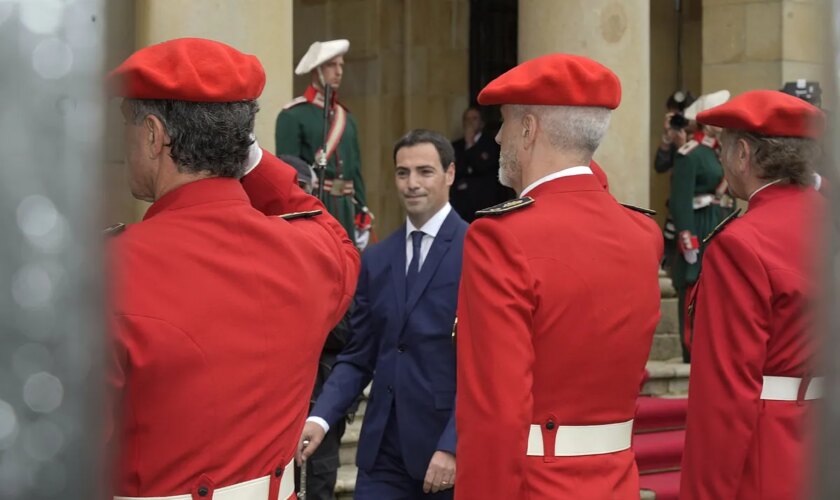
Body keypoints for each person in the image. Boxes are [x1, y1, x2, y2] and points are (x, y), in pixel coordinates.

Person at [105, 38, 360, 499]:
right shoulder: (313, 254)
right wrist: (254, 161)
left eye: (126, 124)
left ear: (152, 132)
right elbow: (332, 232)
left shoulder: (108, 272)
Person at [454, 53, 663, 499]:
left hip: (536, 485)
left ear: (528, 130)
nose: (498, 136)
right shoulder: (642, 233)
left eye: (506, 123)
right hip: (617, 482)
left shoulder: (501, 237)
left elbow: (496, 414)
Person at [297, 129, 467, 499]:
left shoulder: (477, 251)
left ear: (450, 174)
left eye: (425, 172)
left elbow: (486, 365)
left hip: (444, 453)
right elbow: (358, 356)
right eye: (403, 173)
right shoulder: (377, 258)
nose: (412, 184)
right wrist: (321, 417)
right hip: (381, 455)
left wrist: (453, 445)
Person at [680, 90, 826, 500]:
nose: (723, 159)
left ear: (743, 153)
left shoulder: (741, 243)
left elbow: (724, 394)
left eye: (726, 147)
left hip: (770, 449)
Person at [276, 39, 371, 250]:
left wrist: (361, 211)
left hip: (346, 208)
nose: (338, 72)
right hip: (316, 206)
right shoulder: (293, 116)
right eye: (331, 65)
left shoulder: (346, 118)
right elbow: (289, 175)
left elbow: (355, 173)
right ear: (316, 70)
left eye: (341, 66)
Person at [670, 90, 732, 362]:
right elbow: (680, 200)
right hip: (697, 224)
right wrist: (687, 239)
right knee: (692, 282)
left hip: (718, 222)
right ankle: (691, 350)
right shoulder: (690, 154)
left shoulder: (719, 152)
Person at [450, 105, 514, 221]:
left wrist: (470, 144)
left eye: (474, 118)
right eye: (467, 119)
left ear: (482, 123)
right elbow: (456, 171)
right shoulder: (455, 146)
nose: (470, 122)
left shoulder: (492, 144)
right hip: (461, 205)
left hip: (484, 203)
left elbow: (482, 167)